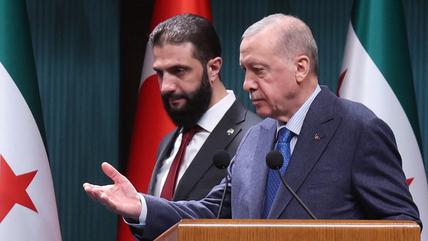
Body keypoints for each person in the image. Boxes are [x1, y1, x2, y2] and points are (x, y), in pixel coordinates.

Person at [84, 14, 421, 240]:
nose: (246, 84)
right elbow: (212, 213)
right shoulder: (255, 139)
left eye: (258, 70)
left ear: (300, 67)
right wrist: (141, 206)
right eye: (244, 70)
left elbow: (403, 226)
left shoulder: (356, 128)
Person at [145, 13, 261, 203]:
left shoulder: (255, 137)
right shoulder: (168, 142)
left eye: (178, 71)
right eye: (160, 73)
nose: (166, 86)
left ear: (213, 68)